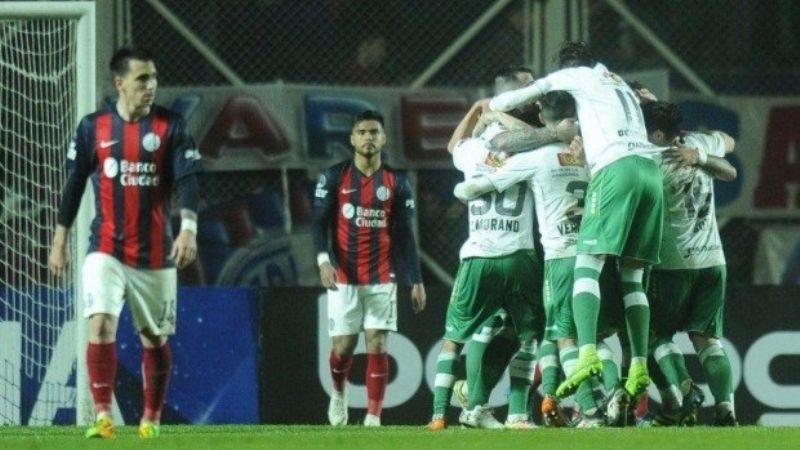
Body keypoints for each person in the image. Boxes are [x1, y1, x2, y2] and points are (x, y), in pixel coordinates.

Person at [489, 41, 664, 402]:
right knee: (632, 277)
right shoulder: (618, 82)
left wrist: (492, 106)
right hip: (651, 171)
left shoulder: (576, 75)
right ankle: (640, 364)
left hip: (617, 169)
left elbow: (505, 102)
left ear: (568, 66)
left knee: (588, 263)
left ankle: (586, 354)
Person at [47, 47, 202, 439]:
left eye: (153, 78)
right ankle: (102, 415)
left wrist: (188, 228)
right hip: (106, 248)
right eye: (141, 79)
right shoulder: (91, 128)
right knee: (100, 324)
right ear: (120, 83)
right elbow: (74, 185)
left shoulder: (172, 126)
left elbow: (188, 180)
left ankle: (151, 419)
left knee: (154, 337)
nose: (150, 86)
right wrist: (60, 239)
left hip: (154, 254)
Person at [312, 110, 426, 427]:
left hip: (382, 276)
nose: (368, 137)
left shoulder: (397, 182)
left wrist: (415, 279)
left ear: (383, 138)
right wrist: (323, 261)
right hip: (344, 277)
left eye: (374, 132)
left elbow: (405, 235)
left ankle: (373, 417)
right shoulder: (333, 178)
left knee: (377, 342)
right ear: (352, 138)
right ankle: (338, 394)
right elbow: (318, 224)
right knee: (344, 348)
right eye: (362, 132)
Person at [641, 101, 738, 426]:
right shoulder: (696, 143)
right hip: (712, 260)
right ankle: (725, 410)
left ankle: (686, 390)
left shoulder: (648, 159)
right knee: (707, 341)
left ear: (656, 134)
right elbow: (729, 141)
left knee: (655, 336)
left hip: (671, 266)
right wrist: (701, 154)